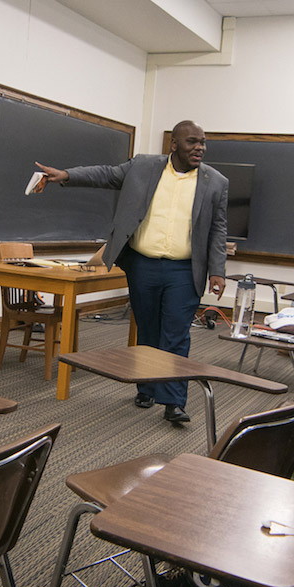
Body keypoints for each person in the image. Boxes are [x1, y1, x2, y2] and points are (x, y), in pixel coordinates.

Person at [32, 121, 227, 424]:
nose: (199, 148)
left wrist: (218, 270)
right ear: (173, 144)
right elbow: (105, 174)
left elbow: (218, 228)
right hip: (143, 265)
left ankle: (173, 402)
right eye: (192, 142)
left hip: (184, 270)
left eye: (203, 142)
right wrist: (66, 175)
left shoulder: (216, 182)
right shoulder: (143, 167)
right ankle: (146, 387)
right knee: (147, 331)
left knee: (176, 335)